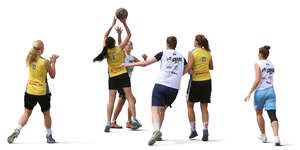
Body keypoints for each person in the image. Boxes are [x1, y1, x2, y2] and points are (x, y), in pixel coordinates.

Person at [122, 36, 188, 146]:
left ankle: (156, 130)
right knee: (162, 110)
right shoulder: (181, 57)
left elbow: (145, 63)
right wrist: (178, 75)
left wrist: (128, 64)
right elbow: (189, 68)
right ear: (175, 45)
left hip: (161, 84)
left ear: (167, 44)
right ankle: (158, 134)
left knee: (155, 109)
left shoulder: (163, 53)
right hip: (174, 88)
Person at [93, 17, 141, 132]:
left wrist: (111, 25)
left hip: (112, 77)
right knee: (129, 97)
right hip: (123, 75)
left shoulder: (106, 51)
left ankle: (109, 122)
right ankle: (134, 119)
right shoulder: (120, 48)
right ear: (114, 42)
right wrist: (124, 23)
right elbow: (129, 35)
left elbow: (105, 36)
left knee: (111, 100)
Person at [7, 40, 59, 144]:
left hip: (30, 91)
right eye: (43, 47)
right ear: (41, 50)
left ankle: (17, 130)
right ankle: (49, 136)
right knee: (46, 114)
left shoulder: (29, 58)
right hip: (43, 92)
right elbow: (53, 75)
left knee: (26, 114)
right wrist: (53, 62)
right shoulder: (45, 62)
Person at [110, 27, 147, 129]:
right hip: (121, 81)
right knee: (132, 100)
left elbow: (143, 64)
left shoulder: (132, 58)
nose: (128, 45)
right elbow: (120, 43)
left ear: (132, 47)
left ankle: (114, 121)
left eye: (130, 44)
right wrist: (119, 35)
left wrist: (144, 59)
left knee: (121, 102)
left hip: (126, 83)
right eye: (126, 44)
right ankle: (129, 121)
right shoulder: (122, 54)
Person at [244, 45, 280, 146]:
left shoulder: (258, 63)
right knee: (272, 115)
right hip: (271, 91)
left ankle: (263, 135)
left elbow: (258, 79)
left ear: (260, 54)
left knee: (259, 113)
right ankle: (276, 137)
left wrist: (250, 92)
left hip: (260, 91)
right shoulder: (271, 64)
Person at [185, 34, 213, 141]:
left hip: (195, 82)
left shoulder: (191, 52)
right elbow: (211, 67)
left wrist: (190, 72)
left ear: (196, 42)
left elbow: (189, 67)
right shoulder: (208, 53)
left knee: (189, 105)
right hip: (207, 81)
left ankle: (193, 130)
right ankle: (205, 130)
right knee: (204, 107)